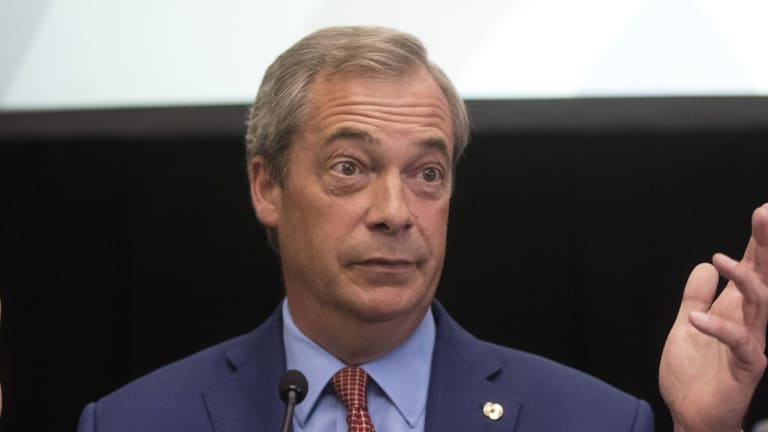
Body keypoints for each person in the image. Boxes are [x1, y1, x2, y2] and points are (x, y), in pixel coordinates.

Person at [77, 26, 767, 432]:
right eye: (351, 167)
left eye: (427, 174)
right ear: (267, 186)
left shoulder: (590, 420)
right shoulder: (137, 422)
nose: (396, 211)